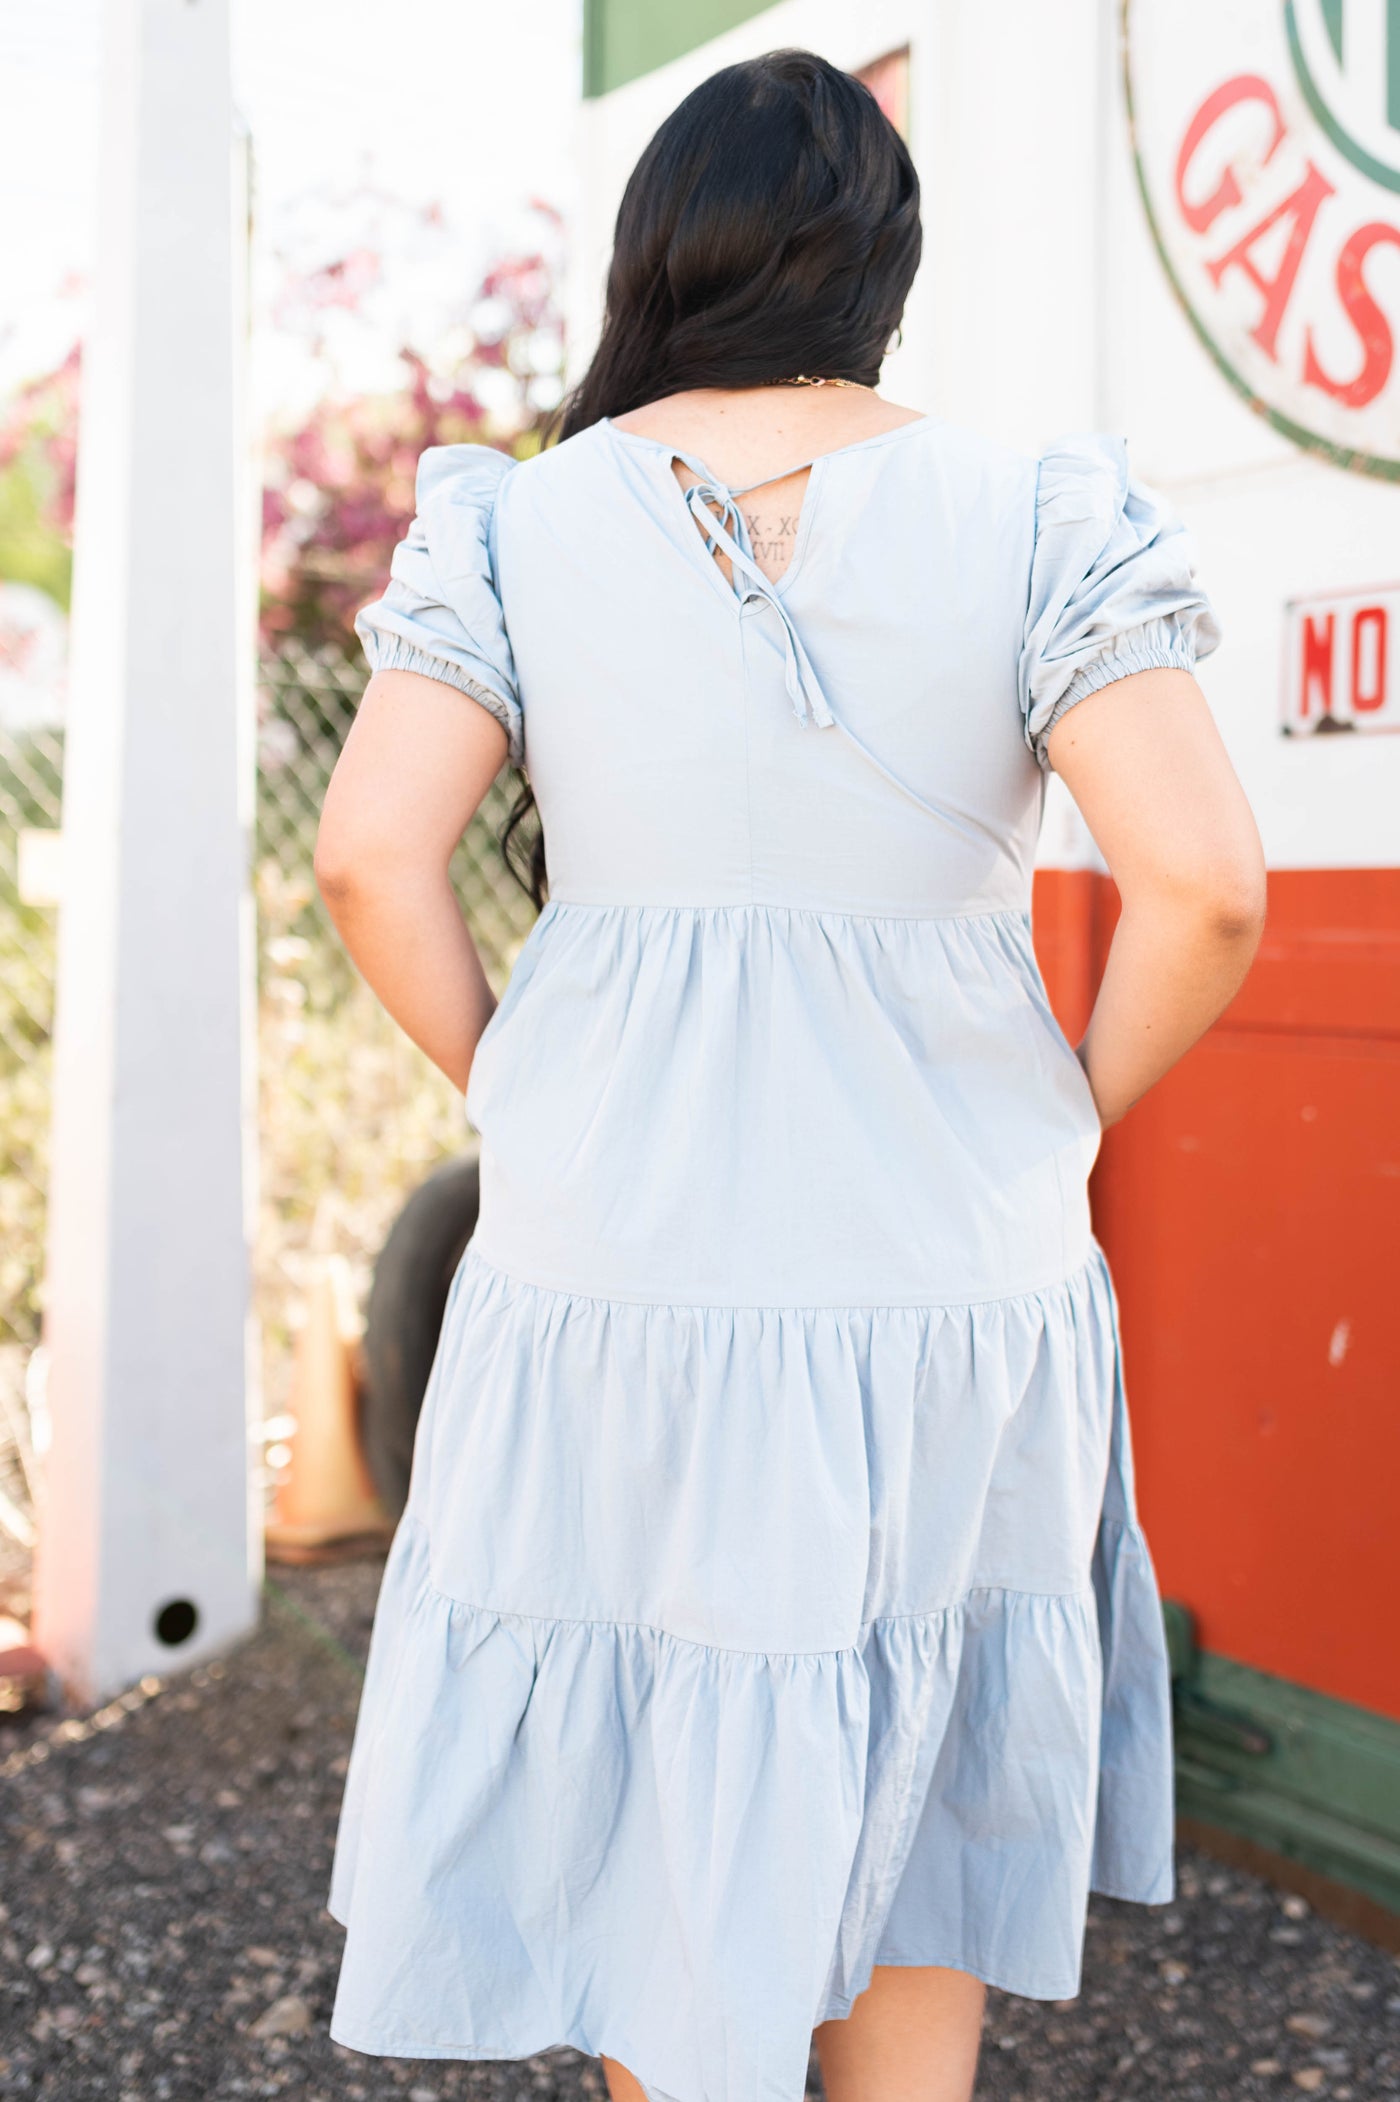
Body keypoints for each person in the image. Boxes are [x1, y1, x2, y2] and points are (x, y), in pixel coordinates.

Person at [313, 46, 1265, 2102]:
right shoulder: (1035, 509)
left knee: (661, 1850)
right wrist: (1051, 1115)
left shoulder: (520, 522)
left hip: (614, 1278)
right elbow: (1199, 884)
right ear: (879, 271)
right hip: (952, 1273)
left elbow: (366, 854)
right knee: (916, 1834)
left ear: (664, 251)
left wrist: (526, 1079)